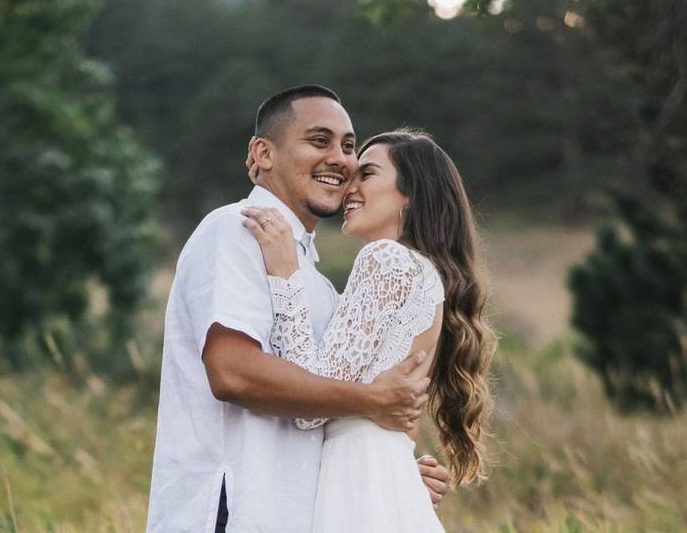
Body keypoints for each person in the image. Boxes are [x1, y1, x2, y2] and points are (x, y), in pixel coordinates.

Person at [146, 86, 450, 533]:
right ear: (262, 153)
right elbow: (234, 373)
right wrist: (371, 403)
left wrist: (391, 475)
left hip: (297, 510)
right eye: (318, 140)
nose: (341, 160)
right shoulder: (235, 231)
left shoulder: (321, 284)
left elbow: (330, 396)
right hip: (235, 506)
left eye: (349, 147)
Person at [241, 129, 495, 532]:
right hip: (380, 474)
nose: (349, 187)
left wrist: (285, 274)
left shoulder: (386, 259)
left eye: (367, 174)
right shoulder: (427, 278)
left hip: (358, 479)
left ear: (411, 194)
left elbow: (312, 400)